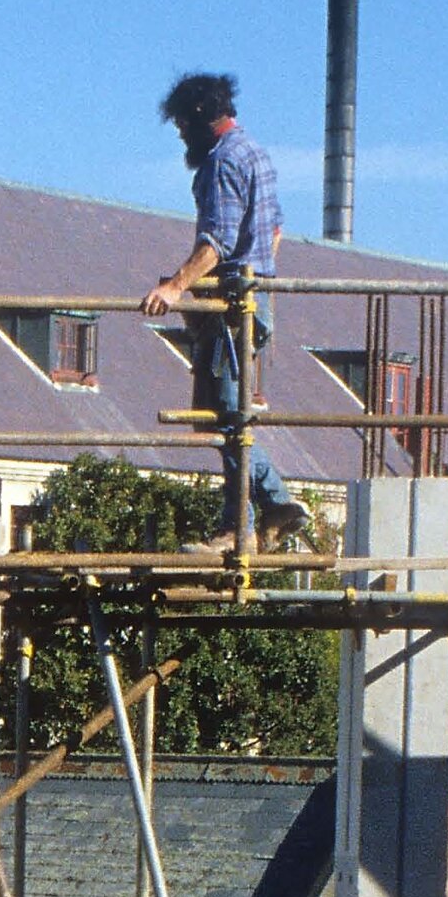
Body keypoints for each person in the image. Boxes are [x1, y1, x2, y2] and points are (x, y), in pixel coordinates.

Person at [138, 71, 308, 543]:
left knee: (232, 418)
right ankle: (254, 517)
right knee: (229, 415)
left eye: (180, 126)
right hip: (253, 300)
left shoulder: (221, 162)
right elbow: (273, 232)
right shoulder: (255, 152)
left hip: (232, 306)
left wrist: (175, 287)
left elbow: (217, 240)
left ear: (197, 117)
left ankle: (260, 513)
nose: (179, 136)